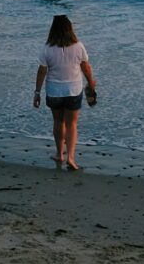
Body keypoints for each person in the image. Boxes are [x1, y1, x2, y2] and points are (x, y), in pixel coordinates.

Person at [31, 13, 100, 171]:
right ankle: (71, 157)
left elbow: (41, 71)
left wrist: (37, 92)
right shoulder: (78, 46)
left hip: (54, 91)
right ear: (70, 29)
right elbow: (86, 67)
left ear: (52, 30)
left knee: (58, 122)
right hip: (73, 90)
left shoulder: (46, 48)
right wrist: (91, 83)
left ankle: (59, 154)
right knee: (72, 124)